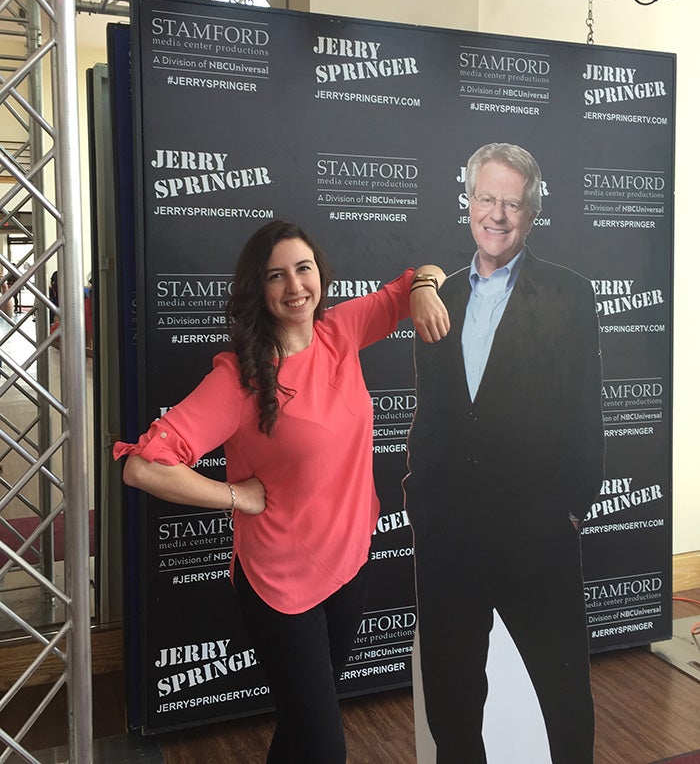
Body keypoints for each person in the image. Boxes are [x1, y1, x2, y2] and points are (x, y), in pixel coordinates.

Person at [114, 219, 448, 763]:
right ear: (258, 289)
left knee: (300, 729)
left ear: (320, 274)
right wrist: (235, 496)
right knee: (323, 748)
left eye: (303, 269)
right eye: (276, 276)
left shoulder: (340, 330)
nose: (295, 287)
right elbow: (144, 467)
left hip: (348, 565)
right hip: (280, 585)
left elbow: (417, 278)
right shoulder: (240, 378)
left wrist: (427, 288)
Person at [405, 144, 605, 764]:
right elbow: (436, 413)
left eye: (512, 203)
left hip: (535, 538)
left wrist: (571, 509)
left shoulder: (569, 295)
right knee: (452, 703)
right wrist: (423, 505)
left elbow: (585, 415)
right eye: (486, 198)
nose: (497, 214)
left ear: (532, 211)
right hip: (450, 542)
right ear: (467, 201)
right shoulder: (439, 297)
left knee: (564, 700)